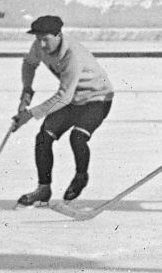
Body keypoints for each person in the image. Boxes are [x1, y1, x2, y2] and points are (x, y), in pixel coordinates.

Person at [11, 15, 115, 206]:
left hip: (97, 98)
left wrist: (30, 114)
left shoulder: (72, 54)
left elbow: (64, 96)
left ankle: (81, 176)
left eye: (45, 39)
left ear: (58, 35)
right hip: (74, 99)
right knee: (43, 138)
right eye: (38, 39)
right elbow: (29, 63)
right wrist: (27, 89)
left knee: (77, 137)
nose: (41, 44)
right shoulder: (39, 47)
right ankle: (43, 189)